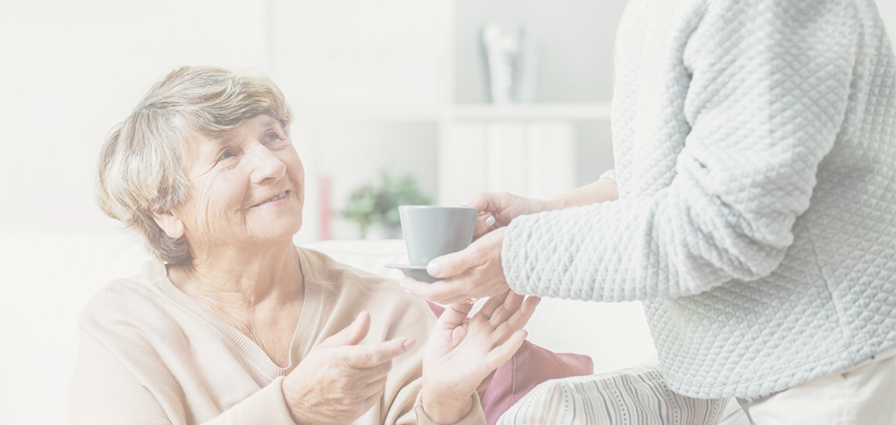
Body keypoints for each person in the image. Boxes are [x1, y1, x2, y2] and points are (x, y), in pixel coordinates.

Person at [402, 0, 896, 423]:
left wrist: (519, 255)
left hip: (827, 371)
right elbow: (682, 181)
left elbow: (726, 225)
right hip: (764, 371)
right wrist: (541, 216)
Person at [67, 65, 540, 425]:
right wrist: (292, 407)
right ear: (165, 211)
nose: (272, 165)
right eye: (227, 154)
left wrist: (445, 403)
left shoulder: (383, 307)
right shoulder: (127, 325)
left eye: (273, 136)